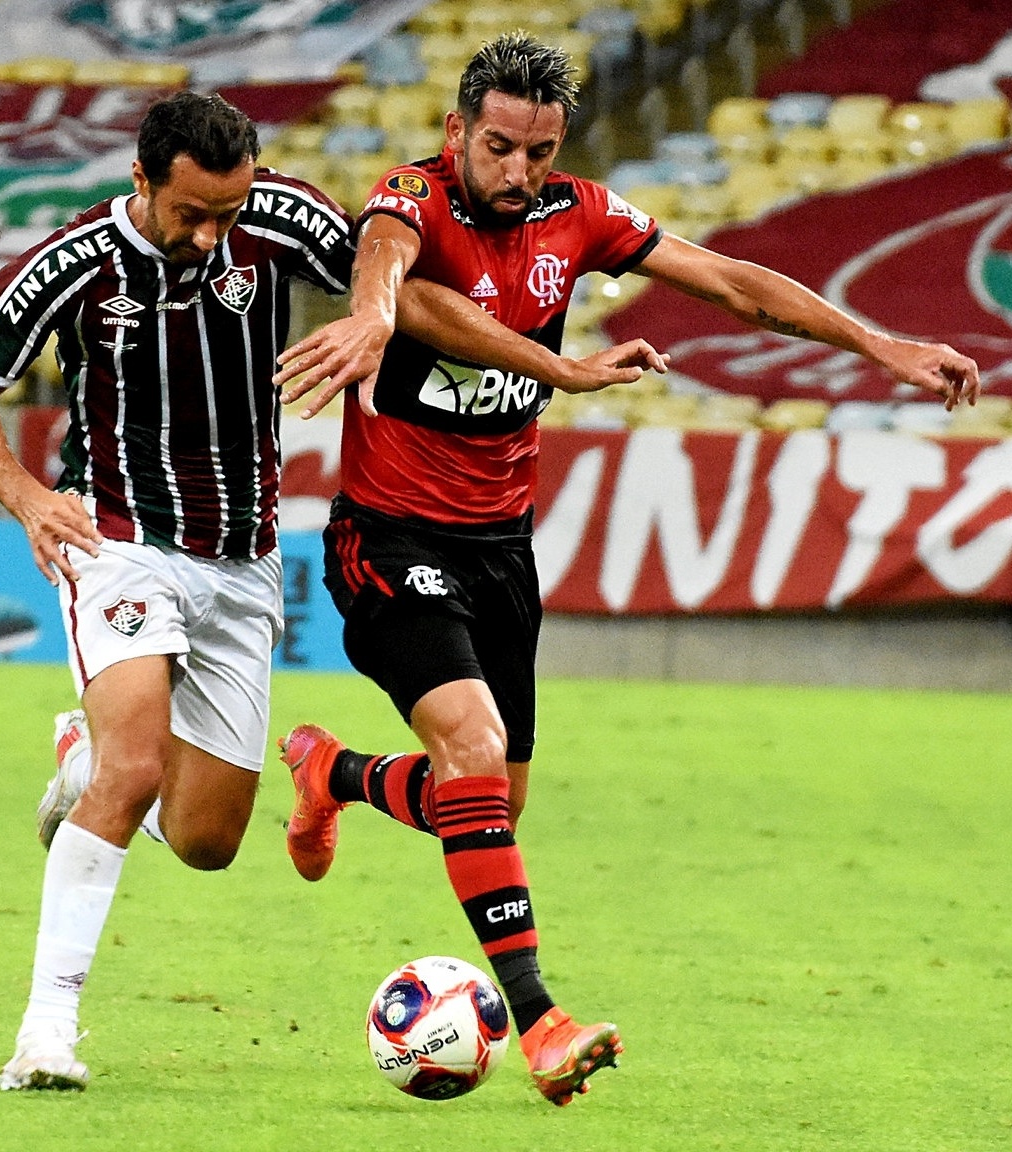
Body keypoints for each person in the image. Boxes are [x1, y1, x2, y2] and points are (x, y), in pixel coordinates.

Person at [270, 32, 983, 1108]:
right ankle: (539, 1016)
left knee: (490, 800)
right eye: (499, 147)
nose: (517, 173)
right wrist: (426, 332)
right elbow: (397, 283)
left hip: (500, 553)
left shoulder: (578, 215)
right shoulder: (409, 199)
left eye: (538, 153)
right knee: (472, 744)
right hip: (388, 539)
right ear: (456, 132)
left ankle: (336, 775)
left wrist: (879, 345)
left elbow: (731, 283)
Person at [0, 90, 667, 1093]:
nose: (210, 234)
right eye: (189, 213)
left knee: (206, 840)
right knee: (138, 760)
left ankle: (84, 757)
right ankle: (47, 1033)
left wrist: (420, 315)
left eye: (226, 213)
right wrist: (25, 498)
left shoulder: (276, 216)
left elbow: (397, 277)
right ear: (140, 181)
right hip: (119, 539)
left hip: (242, 564)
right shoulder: (69, 264)